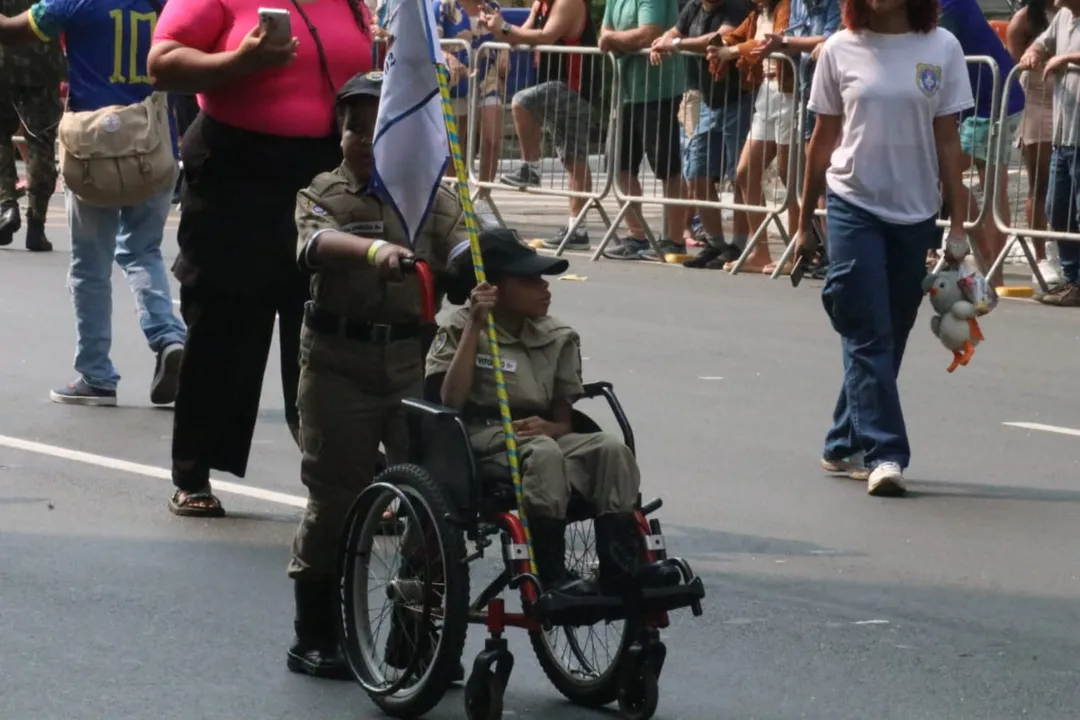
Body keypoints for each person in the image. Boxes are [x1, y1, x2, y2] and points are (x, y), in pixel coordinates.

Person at [149, 0, 374, 516]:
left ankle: (339, 477)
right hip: (236, 169)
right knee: (224, 319)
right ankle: (194, 472)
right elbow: (161, 65)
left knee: (325, 328)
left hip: (322, 174)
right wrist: (239, 63)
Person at [286, 71, 466, 679]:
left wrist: (480, 261)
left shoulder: (432, 200)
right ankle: (314, 634)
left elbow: (465, 247)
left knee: (431, 506)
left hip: (412, 363)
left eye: (375, 125)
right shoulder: (323, 192)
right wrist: (373, 251)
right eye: (351, 124)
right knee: (334, 501)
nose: (360, 137)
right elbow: (313, 244)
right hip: (340, 363)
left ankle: (415, 637)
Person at [428, 230, 680, 594]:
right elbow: (449, 401)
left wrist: (551, 426)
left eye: (543, 279)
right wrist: (475, 325)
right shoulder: (459, 327)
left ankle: (621, 568)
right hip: (478, 438)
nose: (544, 288)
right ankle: (552, 575)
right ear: (493, 287)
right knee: (543, 454)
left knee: (610, 450)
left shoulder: (558, 335)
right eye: (529, 280)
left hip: (541, 435)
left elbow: (563, 418)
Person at [796, 0, 973, 496]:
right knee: (867, 326)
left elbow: (947, 140)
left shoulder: (942, 47)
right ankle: (886, 452)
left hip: (915, 211)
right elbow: (823, 137)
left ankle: (840, 441)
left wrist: (958, 224)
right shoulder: (838, 48)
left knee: (888, 331)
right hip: (853, 203)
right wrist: (803, 213)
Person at [0, 0, 188, 407]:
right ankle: (169, 337)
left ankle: (97, 375)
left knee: (90, 266)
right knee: (142, 251)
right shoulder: (171, 5)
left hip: (93, 150)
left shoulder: (74, 2)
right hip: (155, 144)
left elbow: (11, 30)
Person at [480, 0, 601, 252]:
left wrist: (504, 28)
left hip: (574, 87)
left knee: (522, 101)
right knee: (574, 160)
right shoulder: (541, 4)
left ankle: (531, 168)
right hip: (556, 87)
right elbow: (521, 37)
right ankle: (578, 229)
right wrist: (494, 27)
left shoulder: (568, 2)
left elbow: (545, 37)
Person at [650, 0, 754, 269]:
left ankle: (739, 245)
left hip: (739, 98)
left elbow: (717, 39)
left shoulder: (736, 6)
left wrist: (674, 45)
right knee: (696, 173)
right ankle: (715, 242)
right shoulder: (695, 7)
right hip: (708, 100)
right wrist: (662, 40)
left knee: (739, 175)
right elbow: (675, 30)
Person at [938, 0, 1025, 287]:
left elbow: (935, 45)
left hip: (995, 98)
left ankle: (992, 265)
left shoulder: (951, 4)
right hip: (975, 100)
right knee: (944, 171)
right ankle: (984, 251)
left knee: (989, 182)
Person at [599, 0, 691, 260]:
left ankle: (674, 240)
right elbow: (604, 34)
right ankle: (636, 236)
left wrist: (614, 40)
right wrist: (619, 40)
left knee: (667, 167)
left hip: (658, 89)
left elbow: (648, 33)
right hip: (625, 92)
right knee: (619, 166)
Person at [1020, 0, 1080, 307]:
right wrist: (1034, 52)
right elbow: (1041, 43)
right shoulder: (1063, 18)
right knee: (1058, 209)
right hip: (1063, 136)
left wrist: (1067, 57)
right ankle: (1074, 280)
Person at [1007, 0, 1063, 287]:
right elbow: (1014, 68)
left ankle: (1066, 252)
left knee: (1070, 187)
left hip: (1071, 105)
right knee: (1039, 185)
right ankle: (1042, 258)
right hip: (1039, 105)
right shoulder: (1025, 19)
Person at [0, 0, 63, 252]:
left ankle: (5, 204)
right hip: (44, 63)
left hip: (3, 59)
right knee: (41, 142)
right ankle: (36, 225)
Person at [435, 0, 505, 187]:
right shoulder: (443, 6)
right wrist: (447, 56)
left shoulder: (492, 6)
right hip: (457, 81)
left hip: (487, 79)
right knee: (456, 147)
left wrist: (505, 47)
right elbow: (432, 43)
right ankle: (456, 197)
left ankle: (483, 197)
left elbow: (503, 34)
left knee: (492, 139)